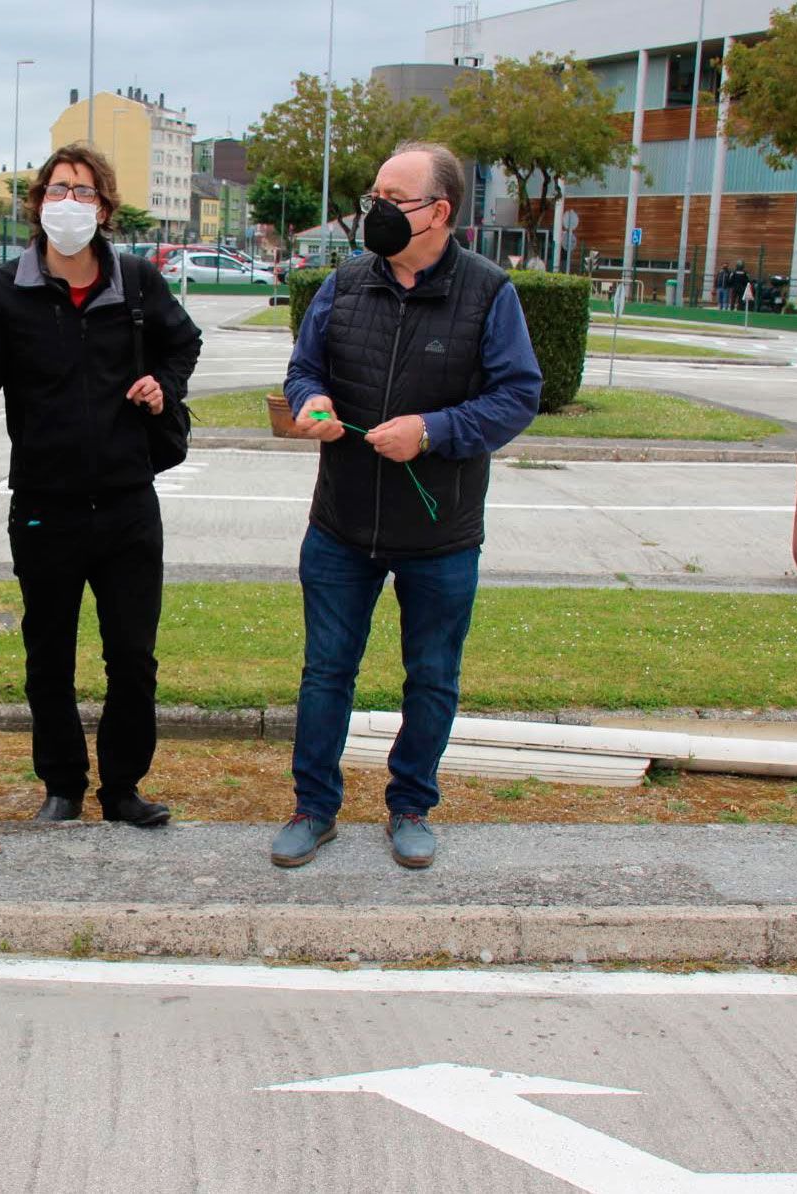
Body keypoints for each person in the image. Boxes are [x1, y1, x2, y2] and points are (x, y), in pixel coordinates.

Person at [275, 141, 543, 870]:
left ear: (440, 213)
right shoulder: (344, 284)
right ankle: (313, 807)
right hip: (340, 524)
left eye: (396, 200)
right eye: (374, 197)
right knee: (326, 670)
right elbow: (304, 368)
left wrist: (433, 431)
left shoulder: (491, 294)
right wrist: (313, 400)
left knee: (431, 677)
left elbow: (518, 395)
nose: (377, 212)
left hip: (441, 533)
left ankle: (412, 805)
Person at [0, 144, 202, 826]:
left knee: (133, 658)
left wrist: (161, 387)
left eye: (84, 192)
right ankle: (61, 785)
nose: (70, 203)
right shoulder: (2, 291)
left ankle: (122, 789)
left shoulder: (138, 282)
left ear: (105, 209)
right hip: (44, 508)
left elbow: (184, 343)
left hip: (126, 506)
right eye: (58, 190)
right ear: (37, 203)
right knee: (47, 654)